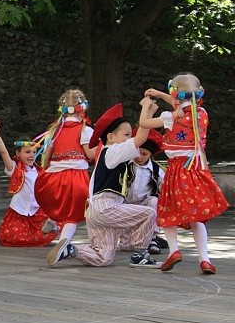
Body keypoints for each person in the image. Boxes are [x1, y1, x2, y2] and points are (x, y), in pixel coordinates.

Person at [47, 102, 161, 268]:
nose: (129, 139)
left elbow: (142, 139)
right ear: (110, 137)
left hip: (95, 212)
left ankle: (71, 250)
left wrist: (150, 113)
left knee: (103, 258)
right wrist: (145, 109)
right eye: (126, 135)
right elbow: (141, 138)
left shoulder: (111, 154)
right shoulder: (113, 151)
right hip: (107, 207)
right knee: (149, 213)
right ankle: (140, 255)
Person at [139, 73, 229, 274]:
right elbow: (182, 102)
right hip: (196, 170)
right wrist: (162, 94)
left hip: (177, 170)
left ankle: (174, 251)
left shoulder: (169, 117)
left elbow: (144, 124)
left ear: (175, 93)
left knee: (168, 211)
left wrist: (146, 106)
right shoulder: (202, 113)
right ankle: (204, 259)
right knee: (195, 215)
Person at [33, 88, 96, 243]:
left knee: (59, 205)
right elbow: (90, 155)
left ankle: (52, 220)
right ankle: (64, 241)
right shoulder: (85, 130)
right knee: (72, 214)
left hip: (54, 176)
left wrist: (45, 173)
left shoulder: (54, 131)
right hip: (76, 177)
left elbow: (46, 157)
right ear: (83, 108)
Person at [0, 120, 58, 247]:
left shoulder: (39, 170)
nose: (32, 155)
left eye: (33, 152)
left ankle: (46, 228)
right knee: (8, 237)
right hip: (19, 211)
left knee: (57, 222)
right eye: (27, 152)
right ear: (18, 153)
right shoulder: (15, 169)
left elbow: (49, 152)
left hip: (37, 211)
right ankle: (40, 233)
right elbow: (3, 152)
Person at [123, 128, 168, 254]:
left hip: (144, 204)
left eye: (144, 154)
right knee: (127, 245)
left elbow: (164, 187)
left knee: (154, 201)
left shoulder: (156, 169)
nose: (139, 157)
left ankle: (152, 238)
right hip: (125, 205)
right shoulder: (125, 165)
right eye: (137, 152)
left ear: (151, 155)